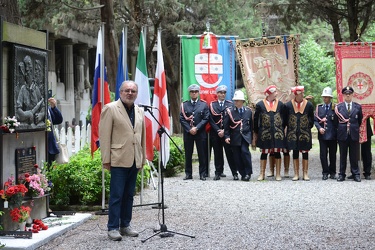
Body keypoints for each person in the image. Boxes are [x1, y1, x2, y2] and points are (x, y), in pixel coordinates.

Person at [99, 81, 146, 241]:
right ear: (120, 92)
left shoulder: (140, 111)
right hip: (118, 159)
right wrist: (106, 159)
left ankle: (125, 225)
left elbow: (142, 137)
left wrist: (142, 158)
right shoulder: (110, 108)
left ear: (136, 93)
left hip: (134, 159)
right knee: (117, 195)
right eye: (127, 90)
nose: (130, 93)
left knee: (129, 195)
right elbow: (104, 136)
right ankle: (112, 227)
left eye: (133, 90)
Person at [253, 85, 286, 181]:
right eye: (275, 92)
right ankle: (262, 173)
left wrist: (280, 128)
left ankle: (278, 174)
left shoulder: (280, 104)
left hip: (277, 132)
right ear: (270, 93)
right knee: (264, 152)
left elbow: (283, 118)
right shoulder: (260, 105)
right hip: (265, 133)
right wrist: (257, 131)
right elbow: (256, 119)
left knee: (277, 152)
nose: (276, 93)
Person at [180, 84, 209, 180]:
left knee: (202, 154)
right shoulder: (184, 105)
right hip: (188, 133)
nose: (194, 93)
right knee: (188, 154)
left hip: (200, 133)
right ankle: (188, 173)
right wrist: (189, 129)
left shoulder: (204, 104)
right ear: (189, 93)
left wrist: (196, 128)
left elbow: (206, 118)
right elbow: (182, 119)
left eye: (196, 91)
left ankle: (202, 173)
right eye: (192, 92)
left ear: (198, 93)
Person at [284, 86, 314, 181]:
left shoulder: (308, 105)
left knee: (305, 152)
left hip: (304, 132)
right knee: (295, 151)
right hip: (292, 132)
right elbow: (285, 119)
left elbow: (311, 119)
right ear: (295, 94)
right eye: (300, 93)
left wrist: (306, 125)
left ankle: (305, 173)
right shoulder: (288, 105)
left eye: (302, 93)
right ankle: (296, 173)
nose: (302, 95)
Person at [209, 85, 237, 180]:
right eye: (220, 92)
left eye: (224, 93)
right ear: (217, 94)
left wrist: (224, 131)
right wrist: (218, 130)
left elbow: (233, 119)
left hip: (227, 133)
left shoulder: (230, 104)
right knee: (217, 153)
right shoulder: (212, 105)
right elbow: (211, 120)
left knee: (230, 153)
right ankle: (218, 172)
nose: (222, 94)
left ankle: (234, 173)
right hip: (216, 133)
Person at [335, 86, 363, 182]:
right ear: (343, 95)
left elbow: (359, 120)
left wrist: (353, 128)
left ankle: (355, 174)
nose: (348, 95)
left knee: (354, 155)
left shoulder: (358, 107)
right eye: (346, 94)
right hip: (342, 134)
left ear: (352, 94)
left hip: (353, 134)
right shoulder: (338, 107)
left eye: (349, 94)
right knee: (343, 155)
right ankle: (341, 174)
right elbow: (336, 122)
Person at [224, 90, 253, 181]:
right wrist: (227, 136)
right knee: (236, 156)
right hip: (235, 137)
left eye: (237, 100)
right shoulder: (230, 111)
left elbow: (251, 125)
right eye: (235, 100)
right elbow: (226, 126)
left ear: (242, 101)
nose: (235, 102)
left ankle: (248, 173)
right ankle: (243, 173)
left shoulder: (248, 111)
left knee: (245, 153)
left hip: (245, 136)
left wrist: (252, 137)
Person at [314, 87, 338, 180]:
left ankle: (332, 172)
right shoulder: (319, 108)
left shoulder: (335, 108)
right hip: (322, 135)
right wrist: (319, 128)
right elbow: (315, 120)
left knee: (333, 154)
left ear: (330, 98)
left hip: (332, 135)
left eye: (327, 97)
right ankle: (325, 172)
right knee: (323, 155)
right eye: (324, 97)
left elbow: (337, 122)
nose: (325, 98)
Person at [16, 55, 45, 128]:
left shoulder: (37, 89)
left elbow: (43, 107)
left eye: (30, 71)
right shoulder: (23, 89)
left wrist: (41, 115)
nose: (28, 72)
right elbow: (18, 108)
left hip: (36, 122)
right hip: (26, 118)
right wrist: (28, 114)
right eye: (26, 71)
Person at [46, 97, 63, 167]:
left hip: (50, 146)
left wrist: (54, 107)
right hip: (40, 143)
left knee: (50, 170)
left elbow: (59, 120)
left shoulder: (48, 109)